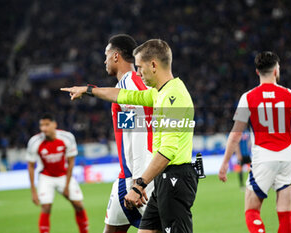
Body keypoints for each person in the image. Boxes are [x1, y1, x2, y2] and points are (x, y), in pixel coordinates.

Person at [61, 39, 198, 233]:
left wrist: (139, 183)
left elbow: (168, 150)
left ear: (153, 65)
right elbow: (122, 95)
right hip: (160, 177)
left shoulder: (173, 97)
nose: (138, 73)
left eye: (140, 67)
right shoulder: (158, 94)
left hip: (174, 177)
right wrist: (89, 90)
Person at [218, 51, 291, 233]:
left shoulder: (248, 98)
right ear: (276, 70)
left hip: (263, 157)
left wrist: (225, 163)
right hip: (287, 157)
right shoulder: (290, 95)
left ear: (257, 72)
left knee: (252, 211)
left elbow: (235, 134)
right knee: (285, 214)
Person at [99, 34, 155, 233]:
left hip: (135, 179)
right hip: (126, 177)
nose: (104, 60)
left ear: (116, 56)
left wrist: (138, 182)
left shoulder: (128, 84)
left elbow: (138, 134)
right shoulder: (137, 83)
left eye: (106, 55)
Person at [27, 113, 89, 233]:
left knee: (79, 205)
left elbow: (71, 162)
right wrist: (33, 191)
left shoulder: (67, 137)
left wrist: (66, 186)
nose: (44, 128)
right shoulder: (34, 141)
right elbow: (30, 166)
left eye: (47, 125)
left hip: (64, 175)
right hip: (46, 177)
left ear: (54, 125)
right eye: (41, 125)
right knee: (46, 207)